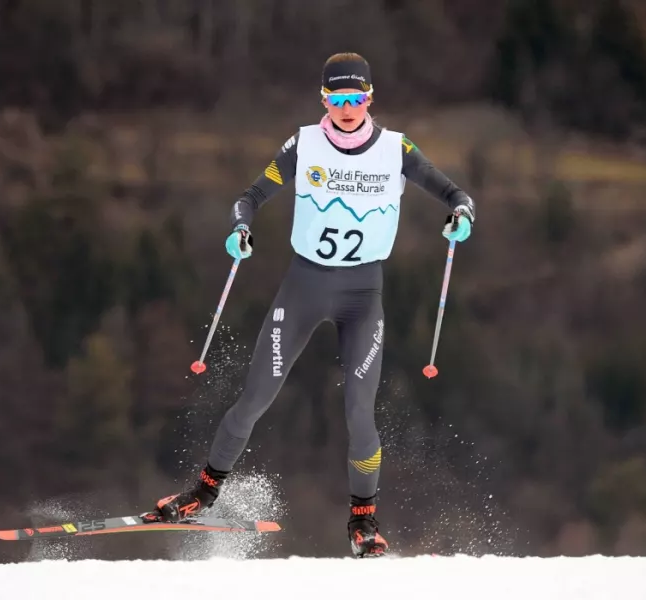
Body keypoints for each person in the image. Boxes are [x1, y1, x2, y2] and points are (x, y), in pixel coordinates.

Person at [140, 52, 475, 558]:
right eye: (336, 99)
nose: (346, 108)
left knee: (360, 412)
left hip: (363, 296)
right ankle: (204, 493)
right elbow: (250, 196)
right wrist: (240, 228)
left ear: (370, 98)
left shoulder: (395, 149)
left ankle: (363, 522)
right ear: (324, 100)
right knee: (255, 397)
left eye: (356, 98)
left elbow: (454, 193)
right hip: (303, 287)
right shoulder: (305, 143)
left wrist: (462, 215)